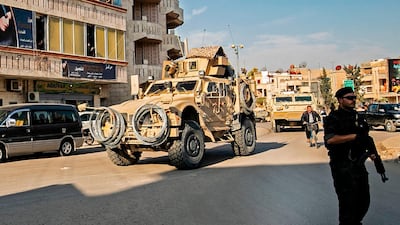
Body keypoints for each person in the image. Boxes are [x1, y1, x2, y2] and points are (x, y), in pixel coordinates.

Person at [324, 87, 375, 225]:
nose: (353, 100)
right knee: (347, 202)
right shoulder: (333, 118)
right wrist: (353, 137)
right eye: (349, 98)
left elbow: (365, 138)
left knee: (364, 200)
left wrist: (372, 153)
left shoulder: (358, 117)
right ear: (340, 100)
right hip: (341, 166)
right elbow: (330, 139)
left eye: (354, 98)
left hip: (358, 164)